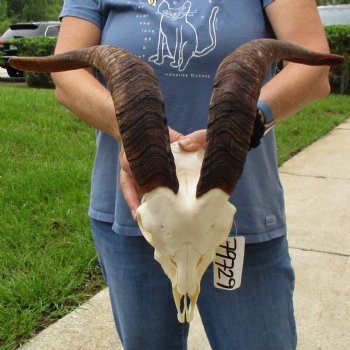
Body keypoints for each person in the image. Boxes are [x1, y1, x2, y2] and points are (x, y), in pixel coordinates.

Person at [53, 1, 331, 349]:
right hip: (139, 215)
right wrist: (135, 135)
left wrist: (246, 124)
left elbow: (313, 66)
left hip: (240, 218)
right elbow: (66, 70)